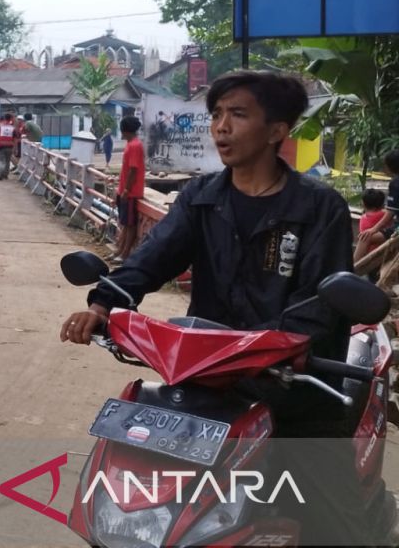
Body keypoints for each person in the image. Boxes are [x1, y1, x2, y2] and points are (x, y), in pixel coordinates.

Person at [60, 71, 390, 546]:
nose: (221, 127)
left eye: (238, 114)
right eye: (216, 114)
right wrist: (103, 303)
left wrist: (267, 348)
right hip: (208, 383)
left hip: (293, 390)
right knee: (135, 488)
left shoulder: (321, 206)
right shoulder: (201, 197)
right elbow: (153, 258)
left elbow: (320, 302)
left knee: (332, 520)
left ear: (277, 129)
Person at [111, 115, 144, 261]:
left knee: (130, 224)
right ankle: (120, 250)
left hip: (131, 192)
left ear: (126, 131)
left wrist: (126, 190)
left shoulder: (135, 146)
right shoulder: (131, 144)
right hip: (125, 190)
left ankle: (125, 254)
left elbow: (133, 170)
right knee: (125, 222)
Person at [358, 149, 399, 258]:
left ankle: (351, 270)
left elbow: (391, 211)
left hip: (397, 228)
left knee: (365, 238)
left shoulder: (396, 183)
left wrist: (373, 229)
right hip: (395, 226)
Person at [354, 188, 389, 265]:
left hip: (369, 257)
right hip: (387, 255)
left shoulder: (364, 218)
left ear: (363, 203)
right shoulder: (386, 215)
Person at [0, 113, 17, 180]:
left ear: (4, 118)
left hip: (0, 146)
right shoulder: (13, 128)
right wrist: (15, 148)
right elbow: (15, 139)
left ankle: (1, 172)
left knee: (1, 161)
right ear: (10, 119)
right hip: (9, 146)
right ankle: (5, 174)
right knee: (7, 161)